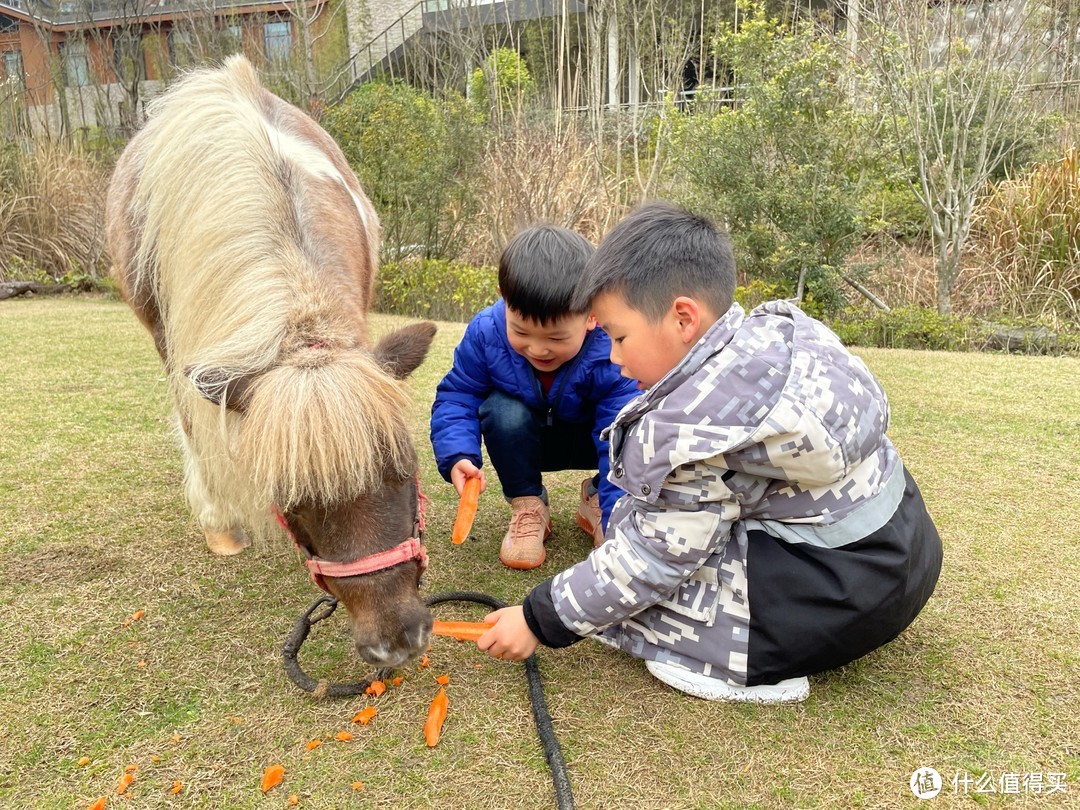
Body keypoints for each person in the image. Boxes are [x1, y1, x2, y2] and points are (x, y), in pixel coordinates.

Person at [475, 201, 943, 703]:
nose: (613, 356)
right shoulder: (776, 335)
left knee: (643, 610)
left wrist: (538, 617)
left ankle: (753, 665)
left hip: (836, 603)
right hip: (907, 555)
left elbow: (650, 559)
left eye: (619, 336)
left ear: (682, 319)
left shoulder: (688, 427)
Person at [430, 224, 641, 570]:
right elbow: (458, 395)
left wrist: (619, 515)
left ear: (591, 314)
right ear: (504, 298)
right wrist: (457, 455)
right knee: (501, 410)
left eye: (556, 338)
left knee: (628, 423)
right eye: (521, 332)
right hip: (526, 442)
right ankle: (528, 505)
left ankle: (600, 497)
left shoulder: (610, 347)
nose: (538, 348)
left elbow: (621, 433)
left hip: (591, 438)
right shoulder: (486, 333)